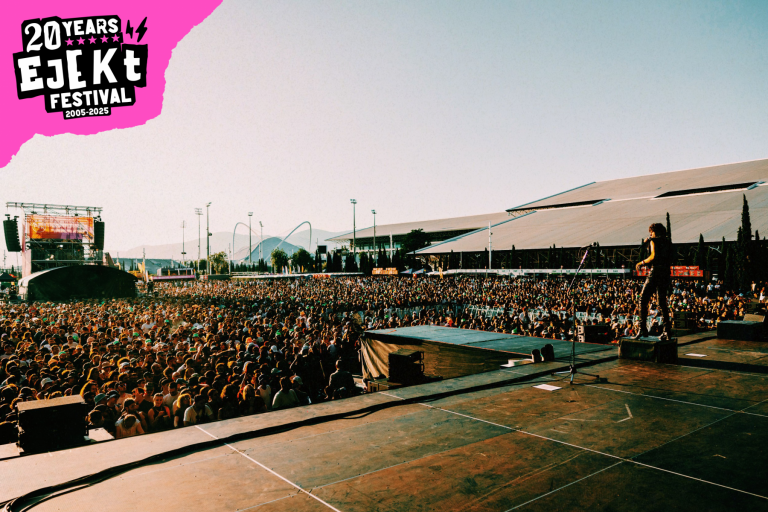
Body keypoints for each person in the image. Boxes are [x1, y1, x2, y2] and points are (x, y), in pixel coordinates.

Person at [635, 223, 673, 339]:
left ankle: (642, 329)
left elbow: (653, 256)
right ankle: (667, 331)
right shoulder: (668, 242)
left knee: (643, 299)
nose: (650, 234)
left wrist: (641, 262)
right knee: (662, 302)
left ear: (654, 232)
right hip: (666, 272)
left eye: (651, 232)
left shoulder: (654, 241)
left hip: (656, 271)